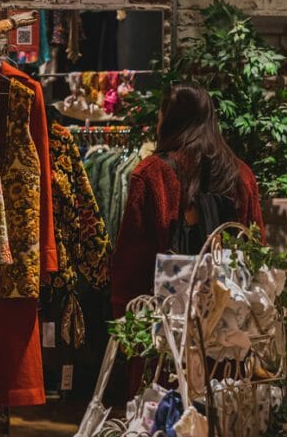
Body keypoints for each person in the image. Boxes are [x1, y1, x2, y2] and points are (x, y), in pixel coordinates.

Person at [110, 82, 266, 318]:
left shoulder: (152, 174)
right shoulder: (241, 175)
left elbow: (131, 264)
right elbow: (256, 250)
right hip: (231, 327)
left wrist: (127, 320)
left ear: (167, 121)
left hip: (166, 329)